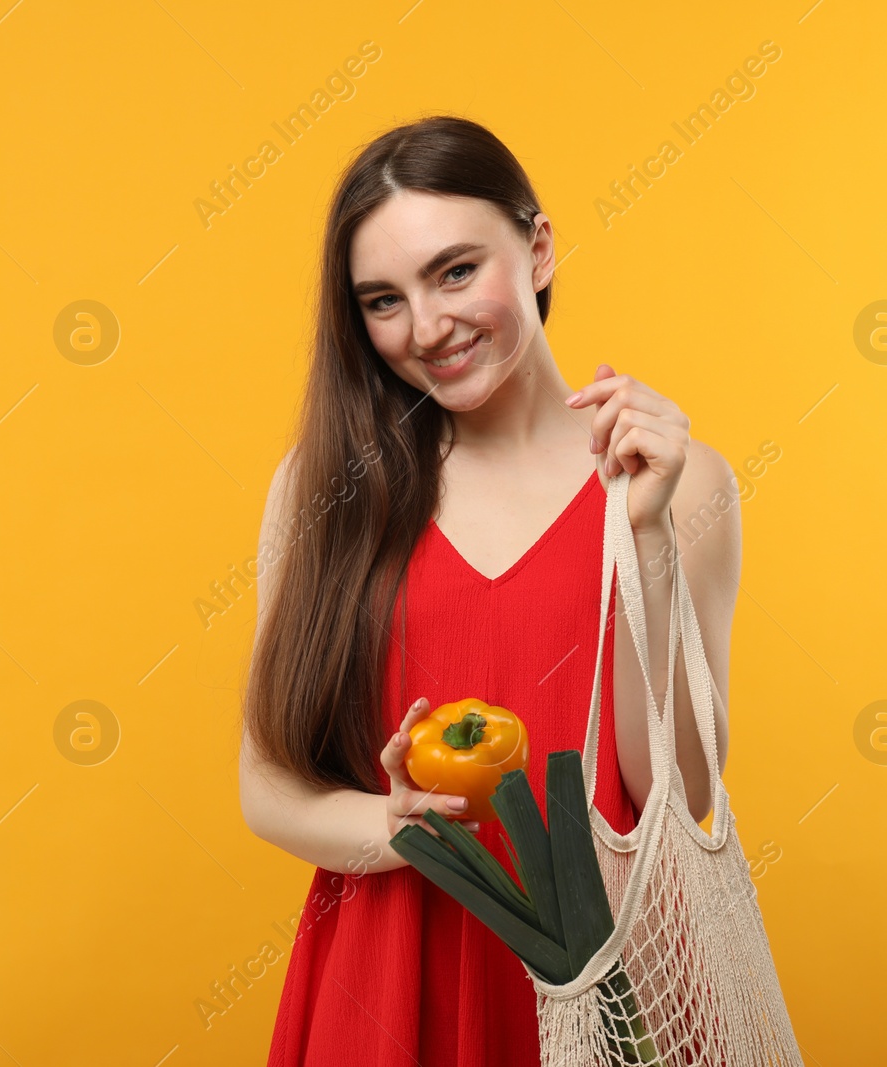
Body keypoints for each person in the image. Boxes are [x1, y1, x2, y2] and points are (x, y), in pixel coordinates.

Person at [238, 114, 740, 1066]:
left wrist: (647, 538)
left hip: (608, 980)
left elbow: (681, 783)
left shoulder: (680, 481)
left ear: (540, 248)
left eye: (456, 271)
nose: (427, 328)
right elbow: (267, 785)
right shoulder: (328, 484)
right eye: (383, 300)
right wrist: (391, 828)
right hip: (388, 971)